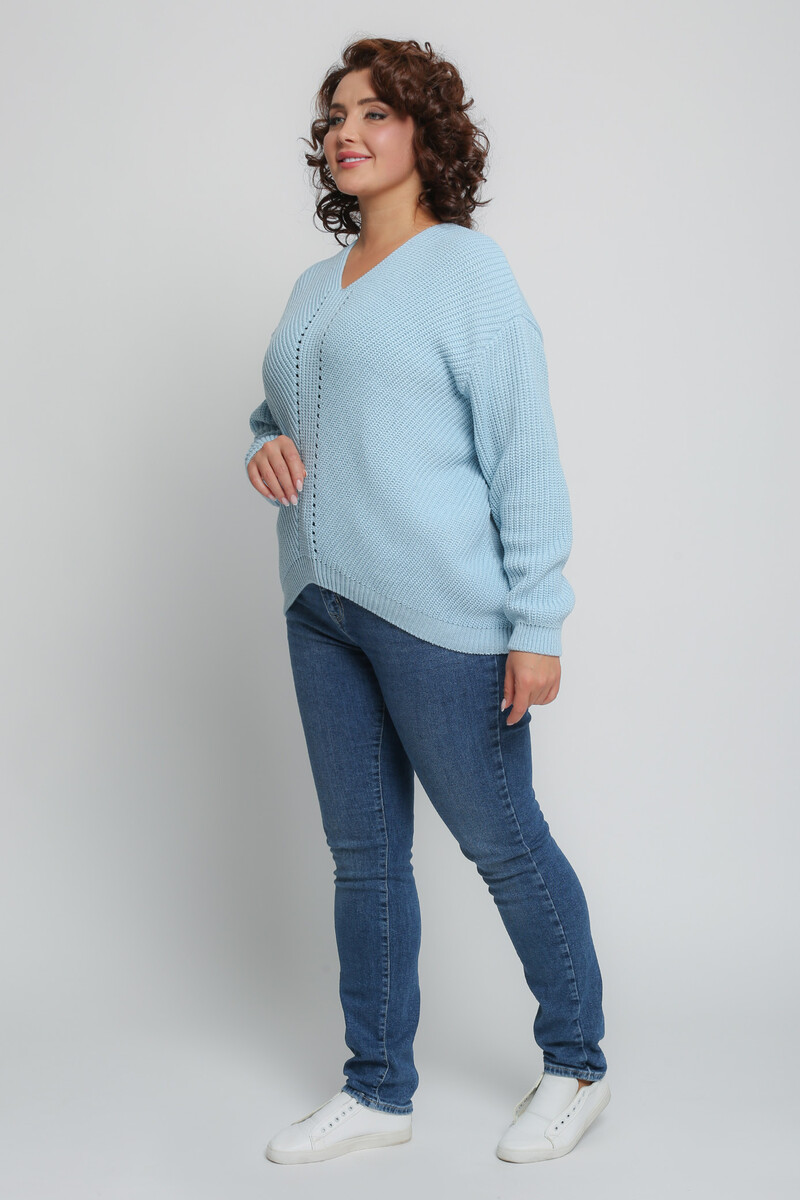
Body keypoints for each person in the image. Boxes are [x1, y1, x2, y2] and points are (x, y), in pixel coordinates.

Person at [244, 37, 610, 1167]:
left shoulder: (466, 273)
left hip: (440, 615)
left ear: (424, 133)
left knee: (502, 843)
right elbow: (279, 415)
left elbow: (523, 458)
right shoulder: (314, 285)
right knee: (362, 859)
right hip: (320, 606)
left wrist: (536, 624)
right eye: (334, 116)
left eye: (375, 113)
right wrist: (262, 448)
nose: (346, 133)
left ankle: (576, 1066)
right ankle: (377, 1089)